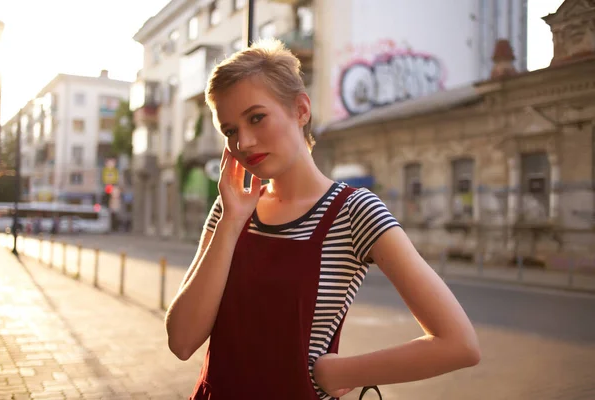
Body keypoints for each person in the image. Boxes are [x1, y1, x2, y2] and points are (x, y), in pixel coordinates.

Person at [165, 38, 481, 400]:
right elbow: (182, 340)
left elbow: (459, 343)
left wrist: (345, 371)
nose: (245, 142)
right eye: (230, 130)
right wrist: (231, 223)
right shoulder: (230, 208)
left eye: (256, 117)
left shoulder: (354, 211)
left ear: (301, 110)